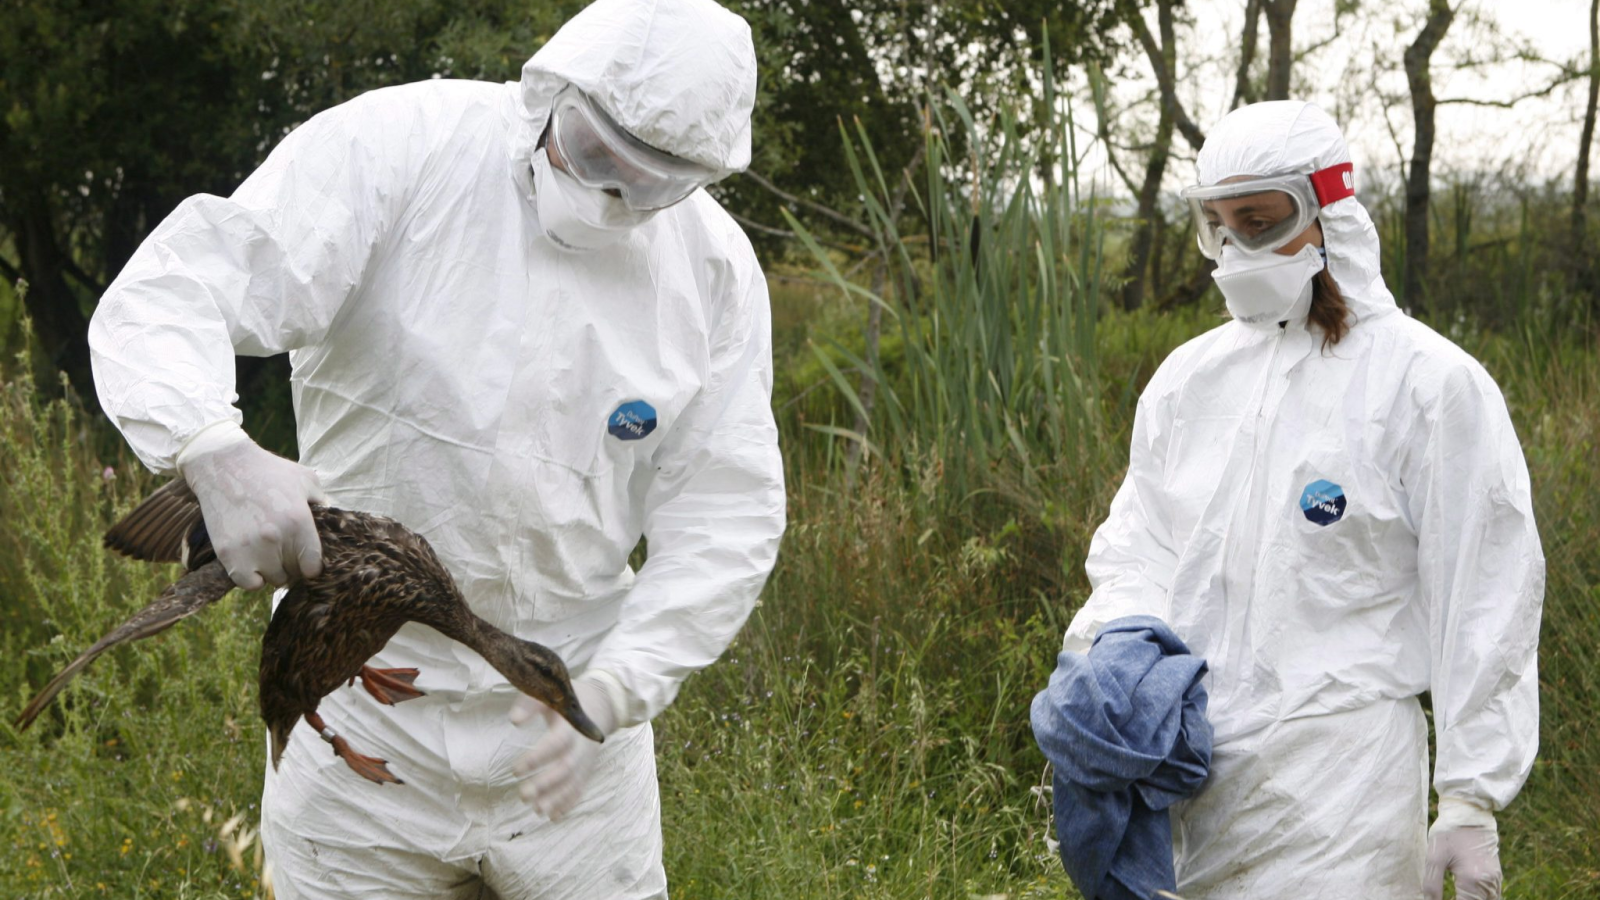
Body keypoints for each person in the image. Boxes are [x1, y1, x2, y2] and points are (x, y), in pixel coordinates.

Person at [86, 0, 786, 896]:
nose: (612, 194)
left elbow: (726, 511)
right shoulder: (399, 148)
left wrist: (616, 692)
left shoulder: (713, 272)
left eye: (652, 184)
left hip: (573, 734)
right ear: (552, 89)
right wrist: (209, 444)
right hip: (359, 718)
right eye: (593, 149)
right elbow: (177, 287)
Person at [1060, 100, 1542, 900]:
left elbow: (1486, 591)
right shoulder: (1190, 379)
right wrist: (1111, 660)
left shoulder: (1427, 385)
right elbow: (1140, 543)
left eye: (1259, 221)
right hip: (1191, 772)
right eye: (1216, 223)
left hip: (1342, 787)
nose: (1234, 247)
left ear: (1331, 211)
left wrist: (1469, 793)